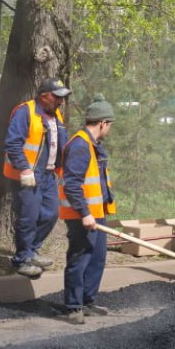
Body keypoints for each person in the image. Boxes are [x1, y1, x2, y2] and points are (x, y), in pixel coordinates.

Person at [3, 76, 70, 277]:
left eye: (63, 98)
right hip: (28, 177)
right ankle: (22, 259)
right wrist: (24, 169)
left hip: (48, 176)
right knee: (28, 218)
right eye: (57, 97)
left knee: (50, 215)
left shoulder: (56, 115)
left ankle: (32, 250)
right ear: (44, 96)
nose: (61, 101)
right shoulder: (25, 112)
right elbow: (13, 143)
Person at [57, 96, 116, 324]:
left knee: (97, 257)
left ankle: (88, 301)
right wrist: (85, 213)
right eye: (109, 124)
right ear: (102, 123)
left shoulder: (93, 145)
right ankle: (73, 306)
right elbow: (71, 184)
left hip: (96, 213)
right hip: (82, 215)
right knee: (79, 258)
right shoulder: (80, 145)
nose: (109, 129)